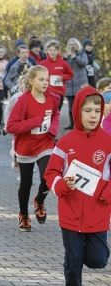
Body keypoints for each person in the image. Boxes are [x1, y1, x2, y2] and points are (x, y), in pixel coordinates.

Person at [44, 86, 111, 286]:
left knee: (98, 260)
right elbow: (51, 173)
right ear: (77, 112)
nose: (93, 115)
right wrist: (63, 185)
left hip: (98, 211)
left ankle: (78, 258)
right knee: (74, 264)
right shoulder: (65, 143)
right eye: (87, 110)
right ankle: (72, 266)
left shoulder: (108, 143)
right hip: (70, 213)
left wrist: (107, 193)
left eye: (97, 111)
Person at [6, 65, 60, 232]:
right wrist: (33, 123)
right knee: (26, 183)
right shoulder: (23, 101)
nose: (45, 83)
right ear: (31, 81)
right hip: (26, 147)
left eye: (47, 80)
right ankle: (23, 214)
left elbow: (56, 114)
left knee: (48, 176)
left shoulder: (52, 98)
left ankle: (40, 201)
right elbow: (11, 126)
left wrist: (53, 129)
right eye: (41, 79)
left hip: (45, 144)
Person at [40, 40, 74, 111]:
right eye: (50, 50)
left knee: (56, 112)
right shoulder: (43, 63)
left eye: (54, 50)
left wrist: (63, 77)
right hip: (46, 92)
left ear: (58, 51)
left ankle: (55, 122)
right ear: (47, 51)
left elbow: (71, 74)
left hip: (59, 93)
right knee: (47, 112)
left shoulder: (63, 63)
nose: (52, 52)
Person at [63, 38, 88, 130]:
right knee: (70, 108)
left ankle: (81, 124)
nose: (72, 46)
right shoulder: (66, 56)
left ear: (78, 45)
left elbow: (84, 63)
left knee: (81, 106)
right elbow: (63, 67)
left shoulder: (82, 54)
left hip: (80, 84)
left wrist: (75, 57)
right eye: (70, 45)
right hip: (69, 85)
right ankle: (72, 124)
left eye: (74, 44)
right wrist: (65, 58)